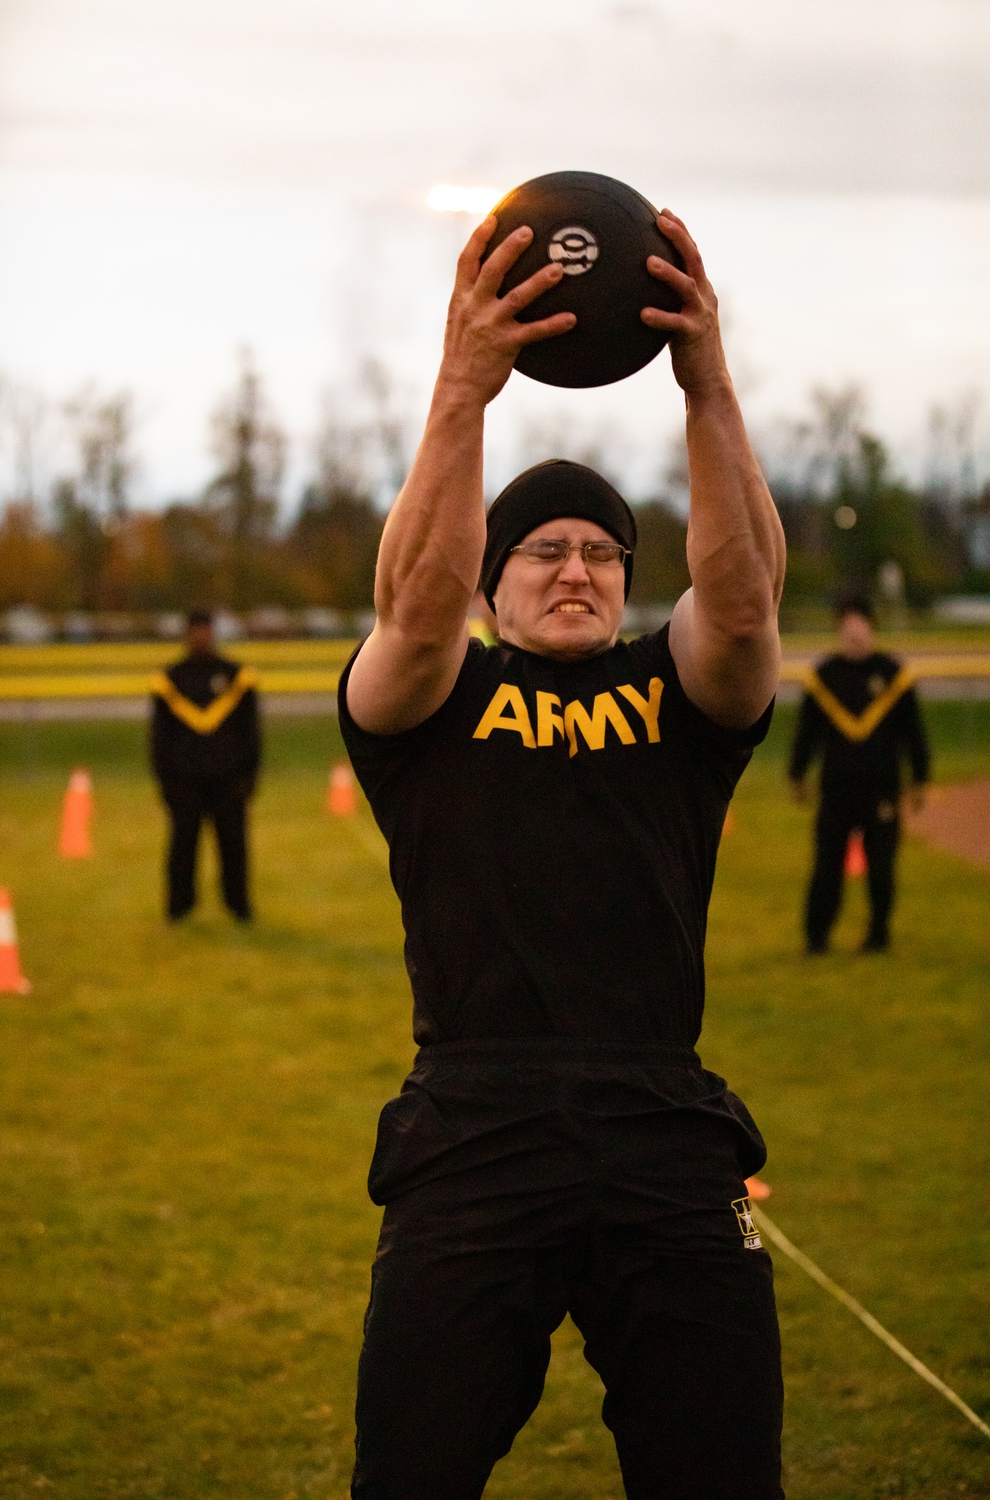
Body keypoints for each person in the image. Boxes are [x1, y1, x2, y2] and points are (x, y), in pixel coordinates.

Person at [339, 208, 787, 1498]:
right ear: (492, 583)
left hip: (664, 1124)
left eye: (602, 552)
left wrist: (704, 377)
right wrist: (465, 381)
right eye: (542, 551)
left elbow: (747, 597)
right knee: (410, 1473)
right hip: (472, 1130)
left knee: (721, 1473)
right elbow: (409, 609)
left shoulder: (681, 698)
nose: (577, 569)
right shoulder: (434, 702)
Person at [789, 595, 929, 954]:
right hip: (836, 791)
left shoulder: (894, 674)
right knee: (826, 867)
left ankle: (878, 934)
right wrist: (797, 774)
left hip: (881, 789)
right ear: (839, 627)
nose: (853, 628)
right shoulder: (824, 676)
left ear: (871, 625)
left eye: (860, 619)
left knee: (881, 867)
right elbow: (807, 732)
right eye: (846, 620)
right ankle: (816, 938)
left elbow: (913, 733)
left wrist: (920, 779)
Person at [150, 609, 260, 922]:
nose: (201, 635)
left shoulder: (237, 675)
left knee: (234, 847)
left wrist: (249, 775)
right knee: (182, 848)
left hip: (229, 780)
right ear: (186, 633)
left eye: (205, 629)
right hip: (185, 782)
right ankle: (179, 907)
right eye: (195, 629)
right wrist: (165, 779)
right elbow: (159, 737)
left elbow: (250, 732)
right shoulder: (170, 678)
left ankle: (238, 906)